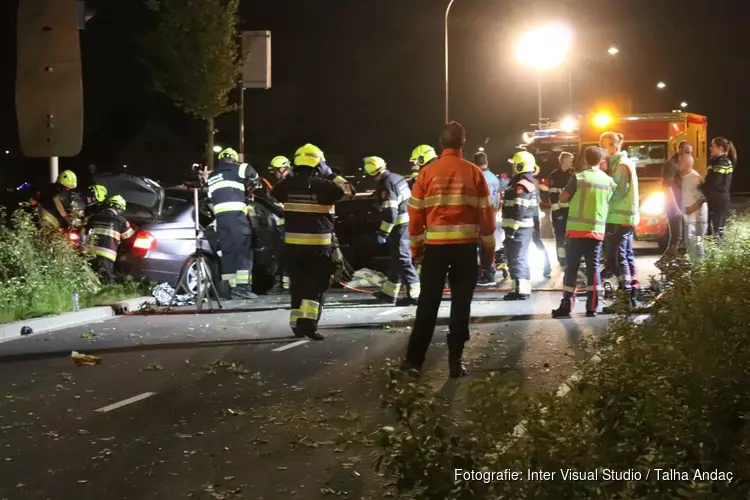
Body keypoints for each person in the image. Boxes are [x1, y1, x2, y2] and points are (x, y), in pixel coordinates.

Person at [403, 122, 495, 378]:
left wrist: (416, 249)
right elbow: (487, 217)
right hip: (465, 249)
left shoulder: (426, 174)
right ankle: (456, 361)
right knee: (461, 305)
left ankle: (414, 362)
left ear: (441, 143)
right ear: (462, 143)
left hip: (435, 249)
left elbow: (415, 215)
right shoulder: (475, 173)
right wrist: (488, 255)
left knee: (427, 305)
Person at [271, 143, 347, 340]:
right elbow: (348, 191)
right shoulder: (325, 186)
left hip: (293, 246)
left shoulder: (286, 185)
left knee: (297, 285)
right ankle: (309, 325)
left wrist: (292, 176)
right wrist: (331, 174)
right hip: (318, 247)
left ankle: (297, 324)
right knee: (315, 287)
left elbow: (275, 192)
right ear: (319, 163)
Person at [552, 147, 616, 318]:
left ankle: (566, 305)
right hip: (597, 231)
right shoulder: (608, 181)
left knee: (571, 268)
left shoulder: (579, 177)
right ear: (600, 160)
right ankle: (592, 307)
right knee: (593, 268)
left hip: (576, 231)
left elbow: (563, 198)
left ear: (586, 160)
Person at [363, 156, 420, 305]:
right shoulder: (396, 177)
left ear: (372, 173)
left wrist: (383, 233)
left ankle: (414, 296)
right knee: (396, 260)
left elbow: (391, 214)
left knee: (403, 260)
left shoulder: (386, 184)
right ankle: (389, 293)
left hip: (399, 226)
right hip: (406, 223)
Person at [207, 147, 258, 300]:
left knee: (228, 252)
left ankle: (228, 289)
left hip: (220, 218)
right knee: (242, 251)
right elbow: (255, 179)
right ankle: (242, 289)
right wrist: (248, 189)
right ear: (234, 159)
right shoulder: (241, 167)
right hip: (236, 216)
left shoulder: (213, 175)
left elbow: (210, 198)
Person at [600, 132, 640, 313]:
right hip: (623, 218)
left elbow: (618, 192)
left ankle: (625, 297)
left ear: (612, 146)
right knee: (626, 256)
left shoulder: (621, 166)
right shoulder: (619, 164)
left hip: (619, 218)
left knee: (617, 257)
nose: (601, 150)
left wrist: (601, 192)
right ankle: (630, 296)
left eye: (602, 146)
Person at [502, 151, 539, 301]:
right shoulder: (528, 183)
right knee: (520, 257)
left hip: (518, 228)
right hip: (524, 228)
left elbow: (519, 210)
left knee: (516, 258)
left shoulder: (521, 186)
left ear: (520, 166)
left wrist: (511, 230)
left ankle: (520, 291)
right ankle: (522, 288)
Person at [85, 195, 135, 284]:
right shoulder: (121, 221)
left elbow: (83, 234)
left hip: (89, 254)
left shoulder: (93, 218)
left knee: (87, 278)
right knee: (105, 281)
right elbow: (129, 239)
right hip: (107, 256)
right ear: (119, 207)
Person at [474, 151, 502, 286]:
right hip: (492, 214)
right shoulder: (494, 178)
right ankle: (488, 272)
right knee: (490, 246)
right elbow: (498, 198)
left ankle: (487, 275)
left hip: (481, 216)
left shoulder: (477, 177)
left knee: (482, 247)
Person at [702, 137, 737, 241]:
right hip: (715, 197)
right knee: (712, 228)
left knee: (716, 228)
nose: (710, 148)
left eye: (713, 146)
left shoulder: (722, 162)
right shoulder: (715, 160)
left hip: (718, 198)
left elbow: (715, 182)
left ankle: (718, 251)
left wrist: (700, 186)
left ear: (720, 148)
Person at [661, 141, 693, 254]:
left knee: (683, 238)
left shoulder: (682, 164)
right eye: (687, 152)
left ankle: (677, 264)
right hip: (674, 206)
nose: (689, 155)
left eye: (690, 153)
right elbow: (667, 187)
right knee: (677, 237)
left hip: (682, 205)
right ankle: (667, 262)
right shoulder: (671, 164)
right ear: (680, 150)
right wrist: (675, 208)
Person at [679, 154, 708, 260]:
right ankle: (695, 270)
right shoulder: (682, 178)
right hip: (689, 219)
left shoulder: (695, 178)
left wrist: (691, 208)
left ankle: (700, 271)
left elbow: (703, 197)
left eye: (680, 162)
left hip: (697, 219)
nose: (678, 164)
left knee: (697, 245)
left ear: (686, 164)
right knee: (690, 245)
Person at [269, 155, 292, 290]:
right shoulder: (284, 184)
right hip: (284, 226)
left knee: (288, 254)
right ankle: (283, 282)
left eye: (276, 170)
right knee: (284, 255)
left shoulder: (287, 184)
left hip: (291, 226)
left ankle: (286, 283)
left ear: (283, 168)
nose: (275, 173)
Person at [548, 152, 575, 267]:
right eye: (570, 160)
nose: (572, 162)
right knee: (560, 238)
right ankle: (562, 259)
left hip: (570, 211)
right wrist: (557, 211)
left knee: (571, 237)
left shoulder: (572, 174)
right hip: (559, 212)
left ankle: (570, 257)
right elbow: (552, 195)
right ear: (563, 160)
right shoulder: (554, 175)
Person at [531, 165, 552, 278]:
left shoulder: (524, 183)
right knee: (538, 241)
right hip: (534, 215)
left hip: (526, 218)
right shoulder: (534, 182)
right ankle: (547, 266)